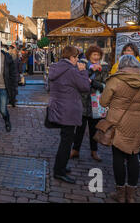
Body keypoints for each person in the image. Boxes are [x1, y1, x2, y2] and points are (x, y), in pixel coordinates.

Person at [100, 55, 140, 203]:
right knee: (134, 154)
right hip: (138, 121)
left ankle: (120, 194)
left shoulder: (115, 80)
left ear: (121, 65)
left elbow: (103, 102)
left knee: (118, 156)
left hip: (118, 120)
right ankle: (131, 195)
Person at [48, 45, 90, 184]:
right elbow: (85, 87)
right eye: (76, 57)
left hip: (59, 108)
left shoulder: (56, 67)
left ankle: (61, 167)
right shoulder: (71, 71)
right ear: (71, 57)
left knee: (65, 140)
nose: (78, 59)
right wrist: (83, 72)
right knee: (66, 142)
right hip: (69, 110)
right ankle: (59, 171)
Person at [110, 43, 140, 167]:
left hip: (133, 110)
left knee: (135, 140)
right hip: (124, 110)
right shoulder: (117, 65)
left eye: (130, 50)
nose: (127, 53)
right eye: (125, 51)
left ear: (135, 52)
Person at [70, 45, 109, 162]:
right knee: (79, 128)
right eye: (94, 55)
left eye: (98, 55)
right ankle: (75, 150)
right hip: (82, 100)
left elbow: (105, 85)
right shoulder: (82, 64)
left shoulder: (105, 67)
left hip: (95, 101)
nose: (96, 57)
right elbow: (77, 79)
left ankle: (94, 151)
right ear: (89, 55)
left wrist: (93, 82)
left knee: (94, 128)